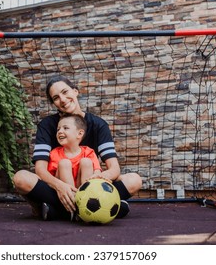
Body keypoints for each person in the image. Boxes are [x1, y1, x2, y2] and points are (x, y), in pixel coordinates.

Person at [13, 75, 142, 220]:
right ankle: (103, 206)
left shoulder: (99, 125)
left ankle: (58, 211)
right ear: (54, 103)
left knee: (134, 180)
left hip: (89, 185)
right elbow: (41, 170)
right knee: (21, 178)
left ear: (75, 91)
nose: (62, 99)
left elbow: (114, 168)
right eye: (56, 98)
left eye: (65, 92)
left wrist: (98, 178)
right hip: (58, 187)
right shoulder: (47, 126)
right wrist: (60, 186)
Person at [48, 113, 101, 189]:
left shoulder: (88, 152)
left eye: (65, 128)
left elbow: (97, 172)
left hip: (82, 188)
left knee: (86, 162)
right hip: (62, 191)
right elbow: (50, 180)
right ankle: (70, 196)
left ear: (79, 134)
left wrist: (97, 176)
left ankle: (86, 195)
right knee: (64, 163)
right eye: (58, 129)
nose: (60, 131)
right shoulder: (54, 153)